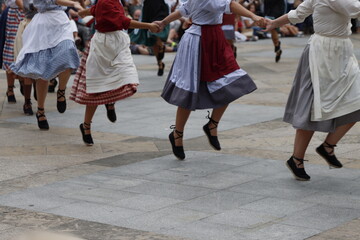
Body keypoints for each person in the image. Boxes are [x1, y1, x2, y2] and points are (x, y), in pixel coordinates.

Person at [158, 0, 265, 160]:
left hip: (215, 38)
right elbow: (229, 5)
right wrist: (253, 15)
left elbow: (184, 9)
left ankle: (212, 125)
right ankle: (177, 135)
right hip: (198, 41)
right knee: (189, 90)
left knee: (230, 82)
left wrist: (164, 21)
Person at [265, 0, 360, 181]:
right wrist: (275, 23)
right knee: (311, 107)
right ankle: (296, 159)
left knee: (357, 100)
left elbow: (298, 13)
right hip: (321, 53)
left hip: (342, 53)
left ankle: (327, 146)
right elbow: (355, 9)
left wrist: (274, 23)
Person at [72, 0, 159, 146]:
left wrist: (84, 12)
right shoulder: (105, 2)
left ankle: (110, 102)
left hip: (117, 43)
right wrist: (148, 26)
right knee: (96, 89)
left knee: (126, 76)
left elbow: (95, 10)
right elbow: (123, 21)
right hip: (103, 45)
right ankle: (86, 125)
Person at [10, 0, 83, 130]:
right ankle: (41, 111)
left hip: (61, 21)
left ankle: (61, 91)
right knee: (42, 72)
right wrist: (73, 4)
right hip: (43, 23)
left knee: (68, 53)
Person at [130, 0, 169, 76]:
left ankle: (161, 45)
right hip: (148, 9)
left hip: (160, 9)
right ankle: (160, 63)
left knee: (156, 33)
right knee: (153, 42)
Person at [13, 0, 37, 115]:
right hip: (28, 26)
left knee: (40, 67)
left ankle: (37, 87)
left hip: (43, 28)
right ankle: (27, 102)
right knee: (26, 66)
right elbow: (26, 6)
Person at [2, 0, 24, 103]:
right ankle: (10, 88)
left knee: (24, 48)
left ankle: (23, 81)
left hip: (26, 12)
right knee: (11, 48)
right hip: (14, 12)